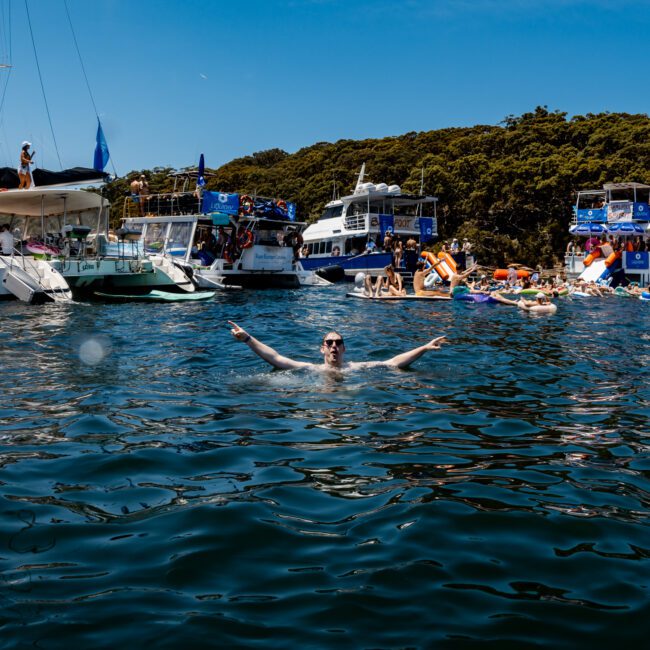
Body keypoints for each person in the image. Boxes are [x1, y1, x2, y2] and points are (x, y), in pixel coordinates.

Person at [229, 321, 447, 371]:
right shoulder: (311, 369)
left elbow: (392, 362)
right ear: (322, 349)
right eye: (329, 343)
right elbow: (276, 358)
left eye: (338, 343)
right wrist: (248, 339)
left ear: (344, 349)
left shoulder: (355, 368)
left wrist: (424, 348)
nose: (334, 346)